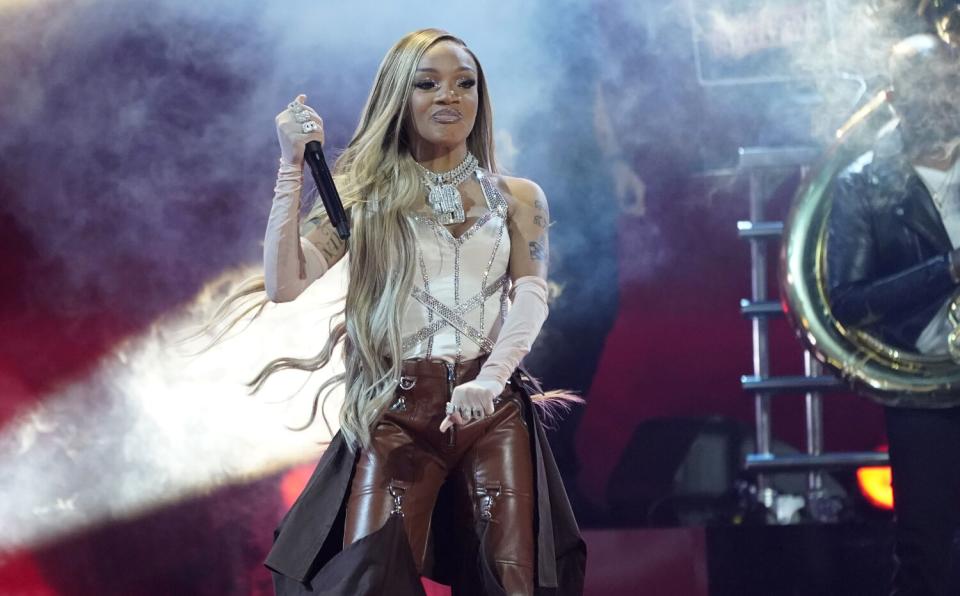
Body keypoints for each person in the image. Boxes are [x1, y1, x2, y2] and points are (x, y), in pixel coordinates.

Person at [248, 29, 585, 595]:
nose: (448, 97)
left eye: (464, 84)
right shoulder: (364, 195)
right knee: (368, 577)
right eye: (427, 84)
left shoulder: (520, 197)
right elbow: (284, 284)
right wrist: (290, 168)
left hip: (492, 410)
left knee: (514, 581)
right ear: (398, 98)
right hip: (399, 410)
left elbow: (531, 294)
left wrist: (494, 378)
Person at [827, 33, 960, 596]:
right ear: (894, 97)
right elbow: (849, 302)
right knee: (926, 551)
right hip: (923, 390)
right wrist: (946, 271)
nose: (937, 96)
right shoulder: (862, 183)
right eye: (920, 86)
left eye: (945, 82)